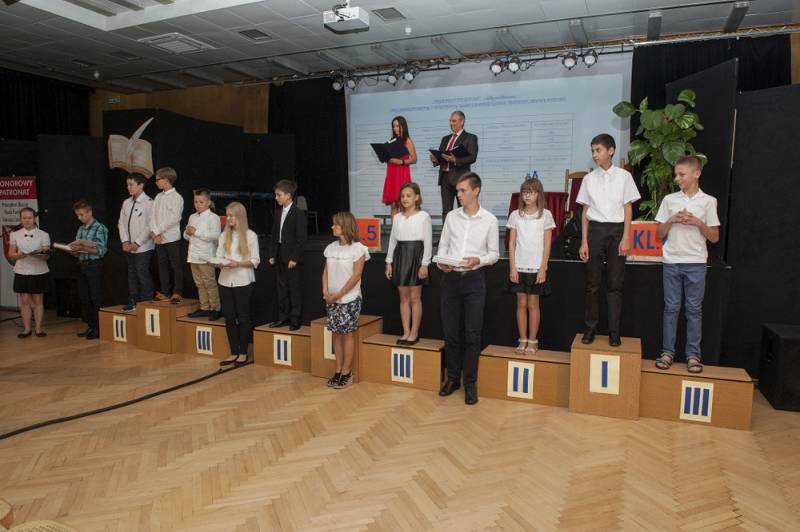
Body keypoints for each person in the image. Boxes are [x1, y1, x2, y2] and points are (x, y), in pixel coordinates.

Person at [434, 172, 499, 405]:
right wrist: (442, 262)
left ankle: (470, 383)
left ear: (476, 190)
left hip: (474, 280)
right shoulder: (451, 217)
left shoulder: (489, 220)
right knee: (451, 333)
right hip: (450, 280)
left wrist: (478, 260)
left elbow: (494, 254)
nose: (458, 195)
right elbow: (442, 247)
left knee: (472, 335)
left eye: (463, 190)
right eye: (457, 191)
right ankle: (452, 379)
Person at [654, 155, 720, 373]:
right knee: (671, 309)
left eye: (681, 174)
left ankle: (693, 356)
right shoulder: (669, 200)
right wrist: (671, 220)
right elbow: (658, 233)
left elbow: (715, 237)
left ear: (697, 174)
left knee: (694, 311)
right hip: (671, 261)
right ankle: (667, 353)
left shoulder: (708, 201)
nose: (677, 179)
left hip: (696, 263)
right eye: (676, 174)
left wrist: (698, 223)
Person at [577, 133, 641, 347]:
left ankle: (614, 332)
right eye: (592, 151)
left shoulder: (624, 176)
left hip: (616, 231)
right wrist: (584, 241)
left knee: (615, 284)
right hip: (595, 231)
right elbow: (585, 212)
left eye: (598, 150)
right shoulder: (588, 179)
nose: (595, 155)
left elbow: (628, 208)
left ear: (611, 150)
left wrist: (626, 237)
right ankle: (590, 329)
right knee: (592, 284)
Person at [507, 177, 555, 355]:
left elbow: (547, 244)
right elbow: (511, 243)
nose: (527, 196)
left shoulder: (545, 215)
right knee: (521, 303)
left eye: (531, 192)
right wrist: (512, 267)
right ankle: (522, 339)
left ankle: (533, 341)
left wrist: (543, 268)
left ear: (538, 194)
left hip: (536, 268)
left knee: (533, 304)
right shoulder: (515, 215)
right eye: (524, 192)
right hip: (519, 266)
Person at [323, 211, 370, 390]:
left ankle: (347, 372)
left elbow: (356, 276)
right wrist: (325, 291)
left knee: (347, 334)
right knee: (336, 333)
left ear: (345, 226)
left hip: (350, 299)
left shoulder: (358, 249)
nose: (332, 227)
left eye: (336, 224)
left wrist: (339, 294)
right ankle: (338, 370)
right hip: (332, 299)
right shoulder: (330, 248)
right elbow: (325, 272)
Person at [384, 182, 432, 345]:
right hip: (400, 256)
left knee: (415, 298)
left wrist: (425, 264)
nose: (405, 199)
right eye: (403, 196)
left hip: (416, 256)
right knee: (403, 298)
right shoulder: (397, 217)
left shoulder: (424, 216)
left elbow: (428, 242)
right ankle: (405, 332)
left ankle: (414, 332)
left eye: (408, 195)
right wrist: (389, 262)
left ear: (416, 197)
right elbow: (392, 241)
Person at [214, 202, 260, 367]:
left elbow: (255, 261)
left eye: (231, 215)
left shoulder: (251, 236)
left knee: (243, 317)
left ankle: (243, 353)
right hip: (224, 281)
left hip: (242, 281)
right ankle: (233, 351)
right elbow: (218, 256)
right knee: (229, 318)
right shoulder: (223, 236)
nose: (228, 218)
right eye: (227, 215)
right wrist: (219, 263)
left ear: (240, 216)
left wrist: (238, 264)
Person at [268, 179, 307, 331]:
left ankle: (295, 319)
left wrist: (294, 258)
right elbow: (274, 235)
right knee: (281, 288)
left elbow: (301, 239)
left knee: (294, 289)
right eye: (276, 195)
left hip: (291, 258)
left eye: (279, 195)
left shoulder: (298, 213)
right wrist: (272, 254)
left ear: (288, 195)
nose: (276, 198)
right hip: (279, 255)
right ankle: (283, 317)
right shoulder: (278, 212)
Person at [8, 207, 50, 338]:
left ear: (34, 218)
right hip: (21, 270)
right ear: (21, 219)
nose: (27, 220)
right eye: (24, 218)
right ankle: (26, 329)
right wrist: (18, 255)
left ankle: (38, 329)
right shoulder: (15, 234)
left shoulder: (43, 234)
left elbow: (47, 255)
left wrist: (40, 255)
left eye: (30, 218)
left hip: (38, 270)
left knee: (38, 300)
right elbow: (11, 253)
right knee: (24, 300)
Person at [430, 111, 479, 219]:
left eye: (454, 121)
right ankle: (446, 230)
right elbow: (442, 157)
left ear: (462, 121)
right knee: (446, 211)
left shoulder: (470, 137)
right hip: (445, 178)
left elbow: (472, 157)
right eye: (450, 121)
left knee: (463, 209)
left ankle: (463, 230)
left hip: (461, 179)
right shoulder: (445, 139)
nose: (451, 123)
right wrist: (435, 160)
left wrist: (455, 159)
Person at [72, 199, 108, 340]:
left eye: (81, 214)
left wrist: (83, 247)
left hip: (94, 265)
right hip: (82, 264)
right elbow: (77, 249)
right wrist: (73, 250)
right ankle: (91, 325)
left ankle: (99, 328)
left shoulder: (100, 228)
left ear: (90, 212)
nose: (79, 217)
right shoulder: (81, 229)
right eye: (77, 215)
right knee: (84, 297)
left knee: (95, 297)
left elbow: (101, 250)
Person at [118, 172, 154, 311]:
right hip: (128, 246)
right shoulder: (126, 202)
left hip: (143, 247)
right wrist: (125, 241)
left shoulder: (149, 203)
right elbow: (121, 223)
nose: (128, 187)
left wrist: (137, 243)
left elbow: (149, 226)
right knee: (131, 274)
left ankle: (146, 301)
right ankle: (133, 300)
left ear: (141, 185)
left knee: (141, 272)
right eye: (127, 185)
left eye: (131, 184)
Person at [184, 188, 221, 320]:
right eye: (196, 202)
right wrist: (187, 233)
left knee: (209, 283)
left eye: (201, 202)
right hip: (193, 255)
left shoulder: (213, 217)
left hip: (206, 256)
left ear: (208, 202)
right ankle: (204, 307)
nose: (198, 204)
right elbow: (186, 236)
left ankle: (215, 308)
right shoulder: (192, 217)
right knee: (199, 283)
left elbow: (215, 236)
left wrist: (195, 232)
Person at [150, 166, 184, 303]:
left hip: (171, 238)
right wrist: (154, 233)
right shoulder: (158, 196)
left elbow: (174, 218)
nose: (156, 182)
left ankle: (177, 292)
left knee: (175, 265)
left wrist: (157, 231)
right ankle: (165, 291)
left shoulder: (177, 197)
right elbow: (152, 216)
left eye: (158, 179)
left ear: (166, 180)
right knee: (162, 265)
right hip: (158, 238)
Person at [381, 116, 418, 217]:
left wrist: (401, 162)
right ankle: (394, 227)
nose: (395, 128)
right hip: (392, 174)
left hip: (401, 174)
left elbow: (414, 159)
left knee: (403, 204)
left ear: (403, 126)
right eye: (394, 126)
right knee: (393, 206)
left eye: (397, 126)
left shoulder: (407, 140)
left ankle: (404, 227)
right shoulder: (392, 141)